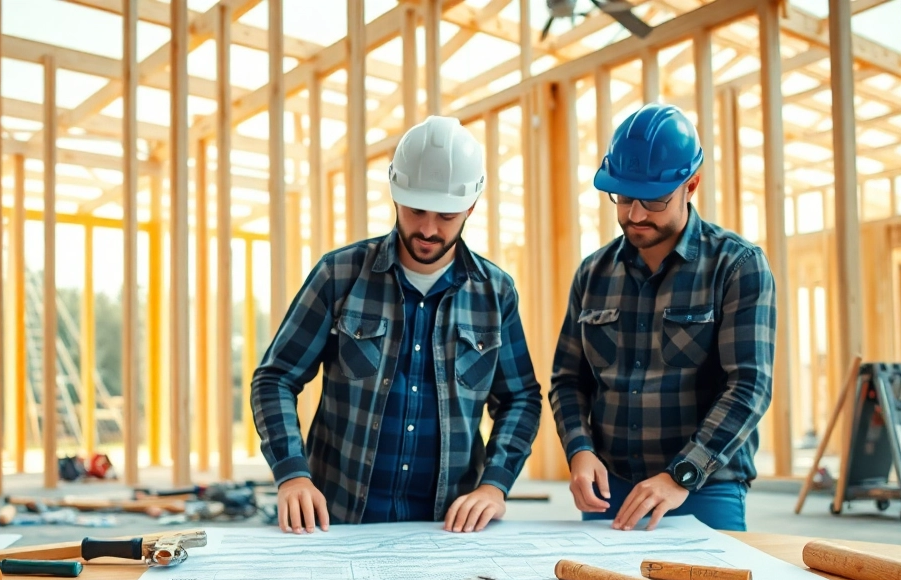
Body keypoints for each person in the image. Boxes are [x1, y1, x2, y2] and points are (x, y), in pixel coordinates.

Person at [252, 116, 542, 534]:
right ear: (395, 194)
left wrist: (494, 485)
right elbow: (275, 378)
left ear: (471, 206)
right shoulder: (339, 275)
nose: (428, 229)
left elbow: (520, 398)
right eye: (416, 209)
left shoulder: (495, 292)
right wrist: (292, 473)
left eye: (446, 215)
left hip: (447, 529)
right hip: (339, 521)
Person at [549, 103, 777, 532]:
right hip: (610, 486)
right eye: (624, 197)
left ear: (691, 186)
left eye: (654, 200)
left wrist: (681, 475)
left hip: (703, 484)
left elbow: (749, 386)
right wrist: (579, 449)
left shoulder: (737, 266)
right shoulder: (592, 274)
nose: (635, 215)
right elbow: (568, 379)